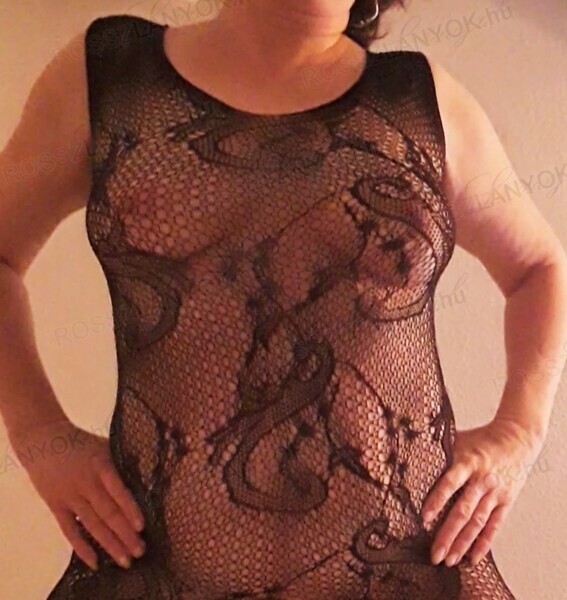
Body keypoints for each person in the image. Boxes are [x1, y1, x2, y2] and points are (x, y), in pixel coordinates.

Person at [1, 0, 566, 598]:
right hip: (160, 569)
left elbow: (540, 268)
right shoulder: (116, 78)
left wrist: (519, 432)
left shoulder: (422, 103)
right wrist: (39, 435)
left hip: (405, 571)